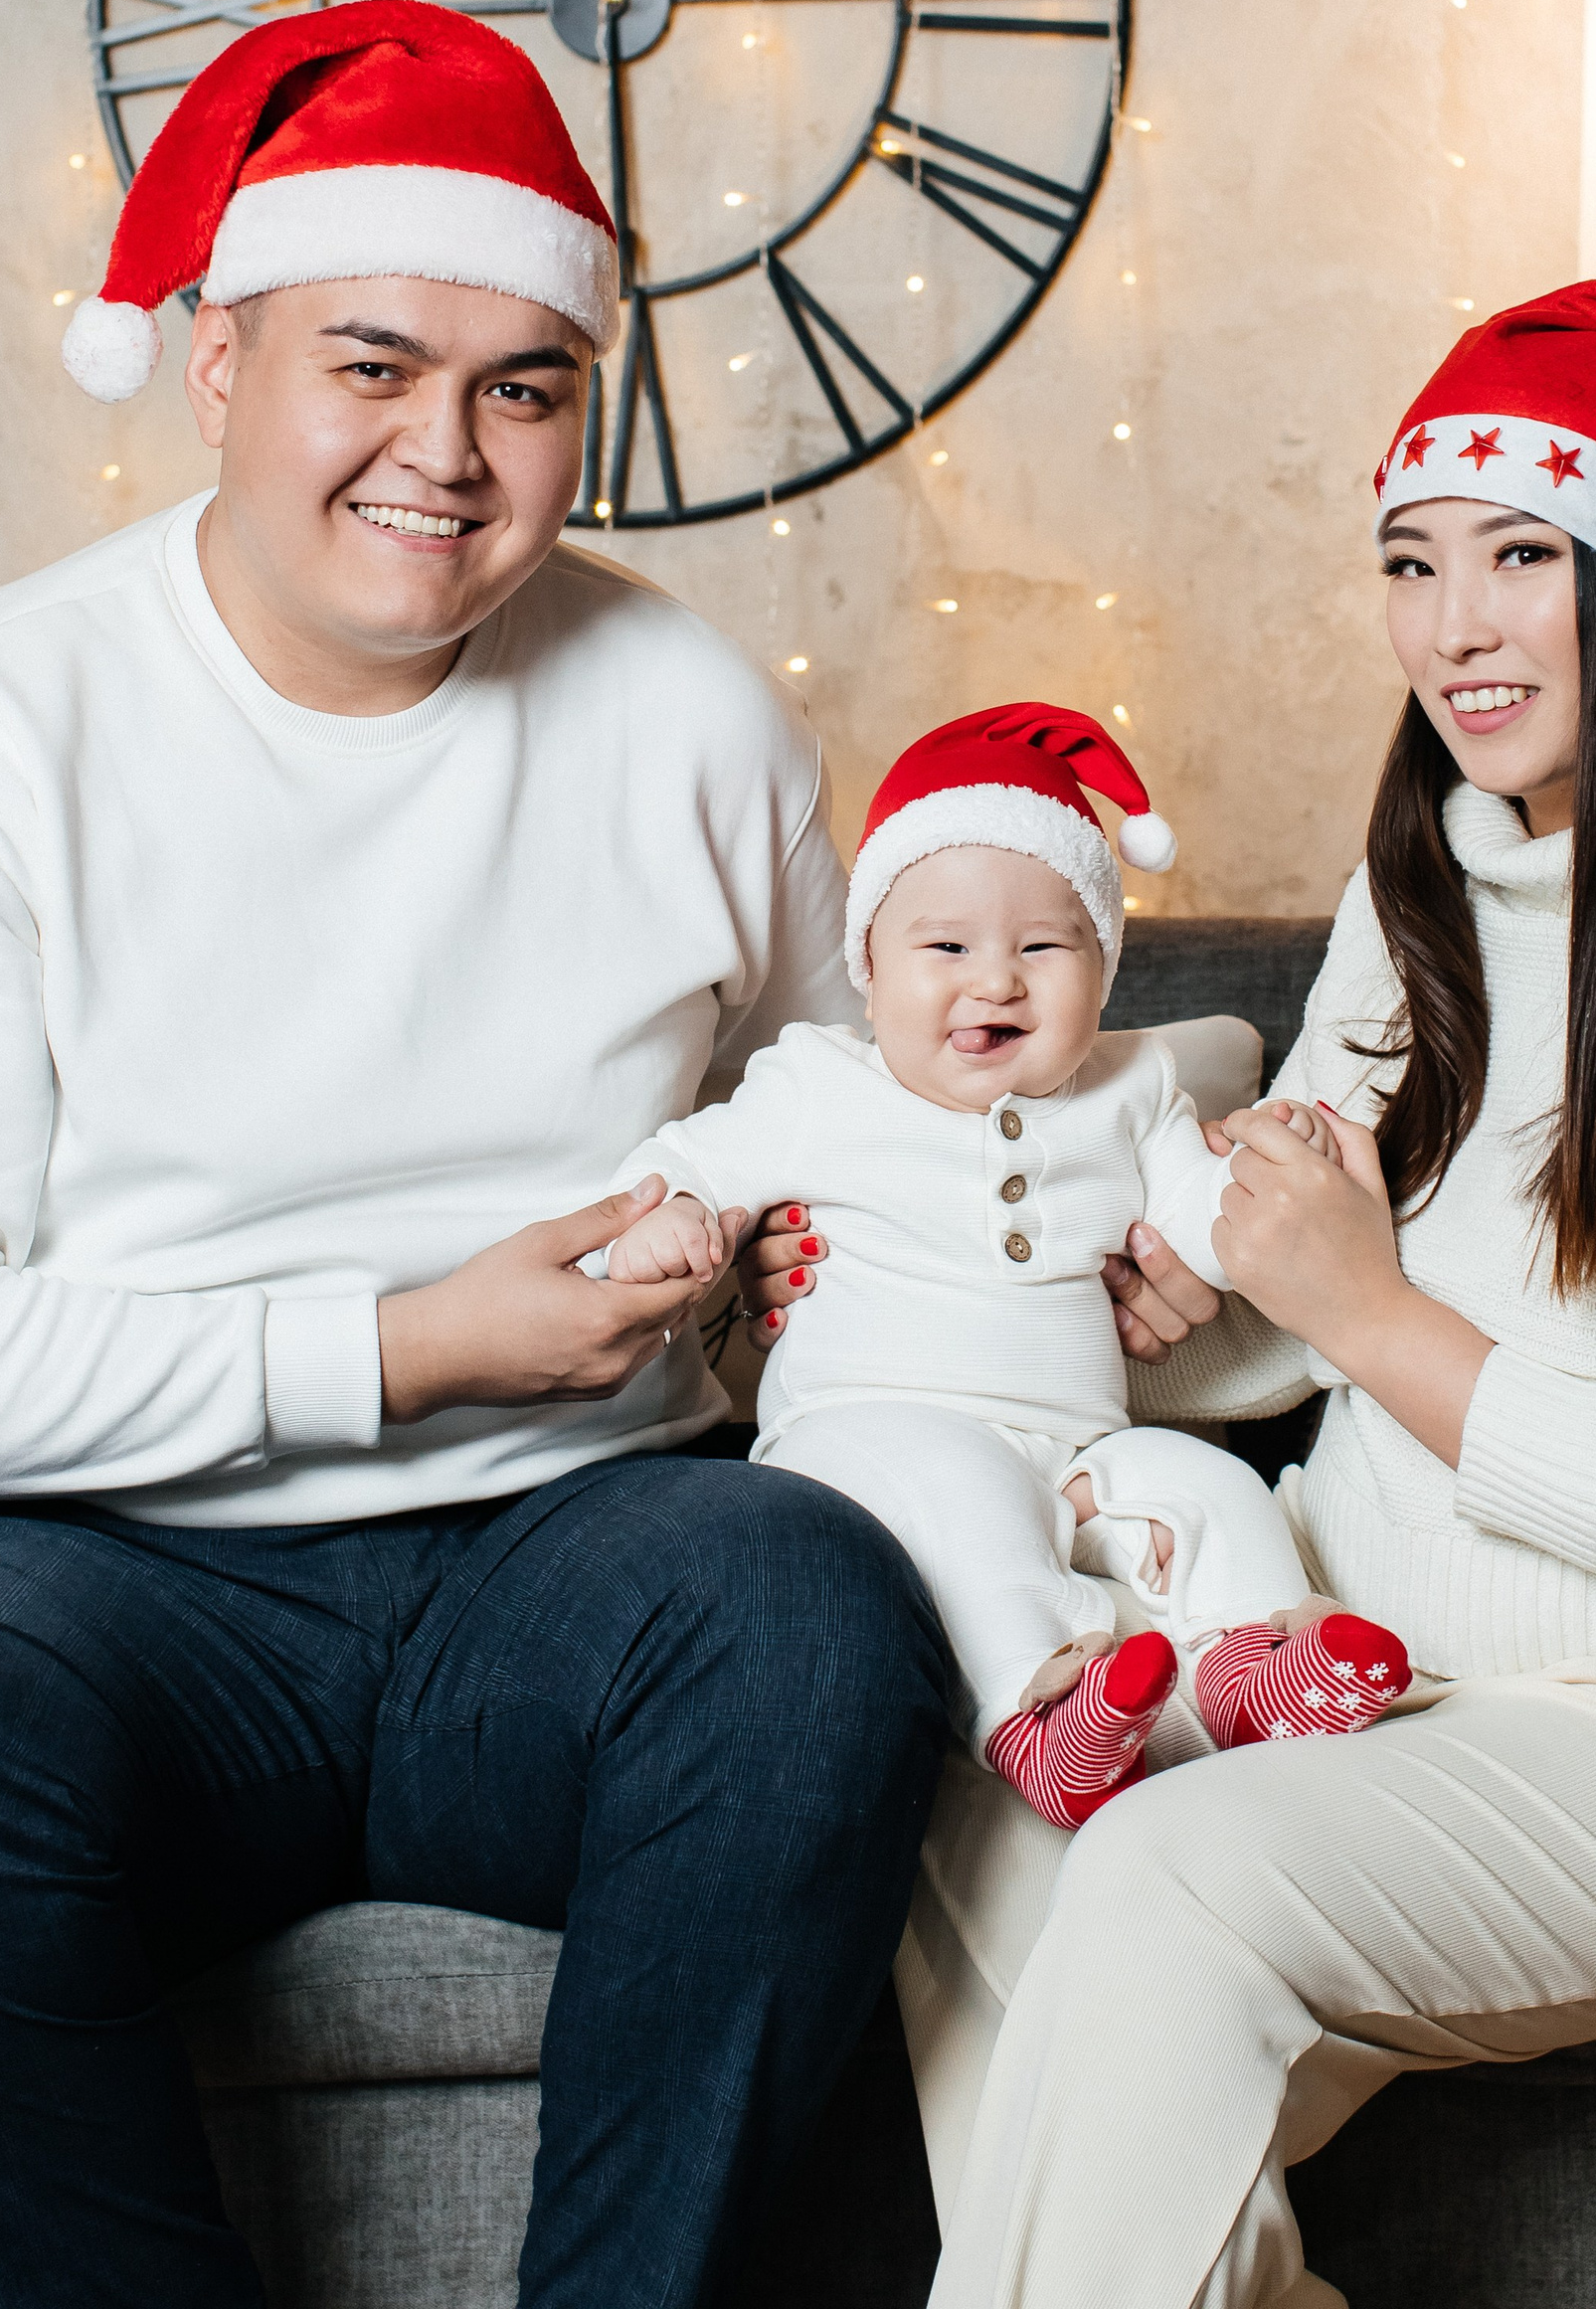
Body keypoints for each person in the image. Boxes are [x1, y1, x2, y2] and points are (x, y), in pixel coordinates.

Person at [0, 0, 965, 2309]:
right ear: (214, 366)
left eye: (523, 385)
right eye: (370, 365)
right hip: (93, 1587)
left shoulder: (682, 712)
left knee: (810, 1615)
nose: (446, 454)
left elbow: (840, 1135)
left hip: (573, 1562)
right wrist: (399, 1345)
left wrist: (1010, 1248)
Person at [754, 276, 1596, 2308]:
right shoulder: (1423, 894)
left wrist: (1361, 1308)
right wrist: (992, 1264)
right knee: (963, 1772)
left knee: (1159, 1872)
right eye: (1410, 562)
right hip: (1359, 1641)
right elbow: (1262, 1295)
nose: (1451, 627)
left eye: (1517, 559)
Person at [591, 700, 1412, 1828]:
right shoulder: (819, 1081)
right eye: (944, 948)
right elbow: (693, 1159)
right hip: (871, 1429)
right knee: (966, 1499)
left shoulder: (1134, 1089)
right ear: (867, 969)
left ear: (1104, 969)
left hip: (1079, 1441)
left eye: (1042, 946)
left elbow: (1209, 1226)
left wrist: (1277, 1175)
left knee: (1207, 1486)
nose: (995, 981)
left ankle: (1250, 1668)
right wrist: (677, 1216)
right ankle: (1041, 1712)